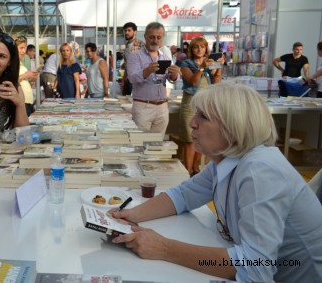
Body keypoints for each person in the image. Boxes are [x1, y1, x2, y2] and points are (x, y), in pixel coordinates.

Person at [111, 83, 322, 283]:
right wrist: (131, 215)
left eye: (203, 117)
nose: (192, 122)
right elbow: (183, 195)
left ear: (234, 126)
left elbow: (255, 266)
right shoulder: (228, 159)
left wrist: (165, 248)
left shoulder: (260, 170)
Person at [179, 37, 223, 175]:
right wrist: (202, 67)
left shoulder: (210, 62)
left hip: (205, 105)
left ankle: (196, 169)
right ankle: (187, 172)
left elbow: (216, 83)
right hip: (190, 104)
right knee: (190, 140)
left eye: (202, 47)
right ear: (192, 49)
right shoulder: (186, 63)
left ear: (206, 49)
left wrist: (219, 67)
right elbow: (192, 81)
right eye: (196, 47)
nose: (199, 49)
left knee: (202, 138)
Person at [127, 22, 179, 133]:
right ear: (145, 36)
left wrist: (174, 75)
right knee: (140, 143)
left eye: (158, 37)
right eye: (152, 37)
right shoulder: (135, 56)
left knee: (157, 145)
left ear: (163, 38)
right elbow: (132, 78)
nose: (155, 40)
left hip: (162, 107)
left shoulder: (165, 57)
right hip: (143, 107)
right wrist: (146, 71)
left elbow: (170, 79)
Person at [121, 22, 145, 96]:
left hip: (138, 80)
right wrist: (123, 80)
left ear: (135, 32)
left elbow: (145, 63)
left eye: (129, 30)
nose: (126, 32)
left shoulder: (141, 45)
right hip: (128, 80)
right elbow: (126, 65)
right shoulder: (127, 46)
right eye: (125, 31)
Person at [16, 36, 37, 115]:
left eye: (25, 48)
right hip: (20, 99)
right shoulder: (11, 61)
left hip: (28, 98)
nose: (24, 51)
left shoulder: (26, 58)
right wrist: (24, 76)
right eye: (21, 48)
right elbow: (11, 81)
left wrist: (33, 78)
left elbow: (28, 81)